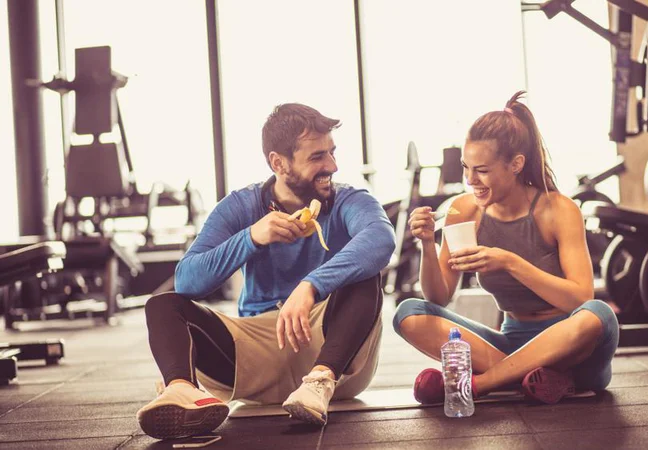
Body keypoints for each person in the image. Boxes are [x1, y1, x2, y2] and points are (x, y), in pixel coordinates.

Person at [136, 103, 395, 439]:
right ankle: (183, 391)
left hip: (334, 356)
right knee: (163, 304)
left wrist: (310, 286)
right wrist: (251, 237)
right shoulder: (242, 206)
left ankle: (318, 382)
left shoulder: (348, 200)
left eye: (331, 152)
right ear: (278, 163)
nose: (332, 165)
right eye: (317, 157)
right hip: (256, 353)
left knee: (364, 273)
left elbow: (381, 240)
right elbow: (187, 279)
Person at [393, 91, 619, 406]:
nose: (471, 180)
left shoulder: (558, 209)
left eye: (482, 170)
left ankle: (480, 384)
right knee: (409, 312)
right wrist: (428, 244)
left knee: (598, 314)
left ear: (515, 164)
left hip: (573, 348)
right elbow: (438, 296)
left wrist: (510, 262)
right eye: (466, 168)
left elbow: (581, 298)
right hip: (512, 341)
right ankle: (526, 377)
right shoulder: (463, 210)